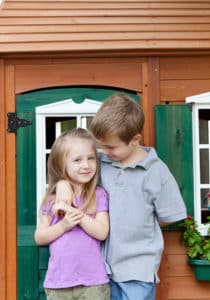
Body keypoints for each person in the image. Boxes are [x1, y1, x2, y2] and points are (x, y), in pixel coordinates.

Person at [55, 94, 187, 300]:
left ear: (135, 139)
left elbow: (169, 216)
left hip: (137, 269)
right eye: (101, 145)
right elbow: (71, 177)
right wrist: (63, 185)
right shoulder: (99, 162)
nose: (103, 151)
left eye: (110, 147)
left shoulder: (156, 171)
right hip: (97, 270)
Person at [34, 128, 110, 300]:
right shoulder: (51, 201)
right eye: (77, 160)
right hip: (59, 283)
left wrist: (78, 215)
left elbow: (102, 232)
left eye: (91, 158)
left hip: (93, 282)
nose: (86, 165)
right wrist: (63, 226)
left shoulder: (98, 195)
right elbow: (40, 237)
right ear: (62, 165)